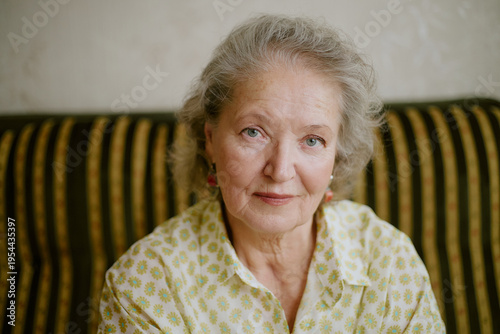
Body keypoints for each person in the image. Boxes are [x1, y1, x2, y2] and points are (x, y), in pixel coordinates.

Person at [98, 14, 445, 333]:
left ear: (337, 156)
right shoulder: (146, 285)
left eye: (312, 139)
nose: (279, 171)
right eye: (254, 132)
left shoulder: (389, 262)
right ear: (210, 140)